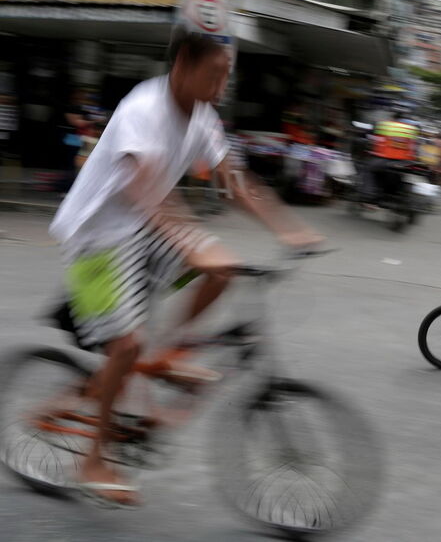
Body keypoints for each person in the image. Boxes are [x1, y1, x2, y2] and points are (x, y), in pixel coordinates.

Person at [48, 30, 321, 508]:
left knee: (222, 269)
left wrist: (289, 229)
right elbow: (141, 189)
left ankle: (167, 356)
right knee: (127, 346)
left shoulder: (201, 117)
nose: (221, 88)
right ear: (183, 66)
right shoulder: (144, 109)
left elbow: (233, 182)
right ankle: (92, 460)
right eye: (214, 75)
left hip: (140, 230)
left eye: (226, 77)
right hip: (96, 237)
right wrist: (189, 243)